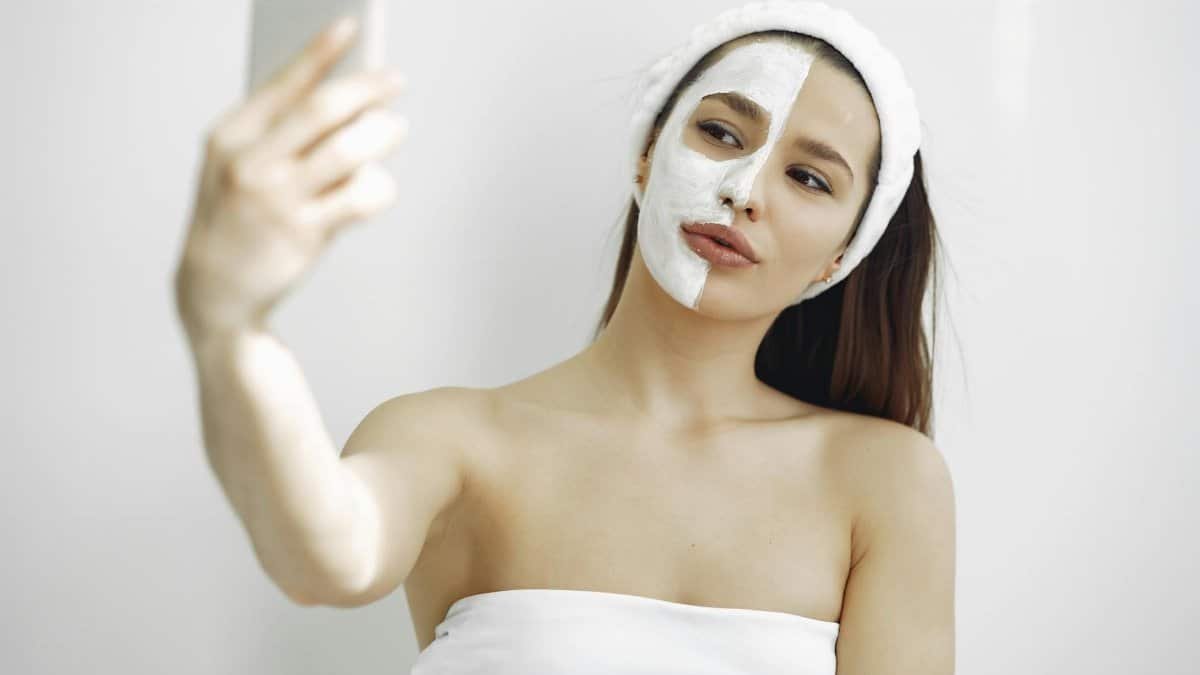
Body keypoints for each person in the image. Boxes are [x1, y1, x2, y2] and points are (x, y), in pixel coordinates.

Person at [172, 1, 955, 673]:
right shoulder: (451, 440)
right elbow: (323, 556)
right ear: (646, 155)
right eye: (721, 132)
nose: (745, 191)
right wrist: (231, 328)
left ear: (842, 255)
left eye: (809, 178)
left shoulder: (883, 481)